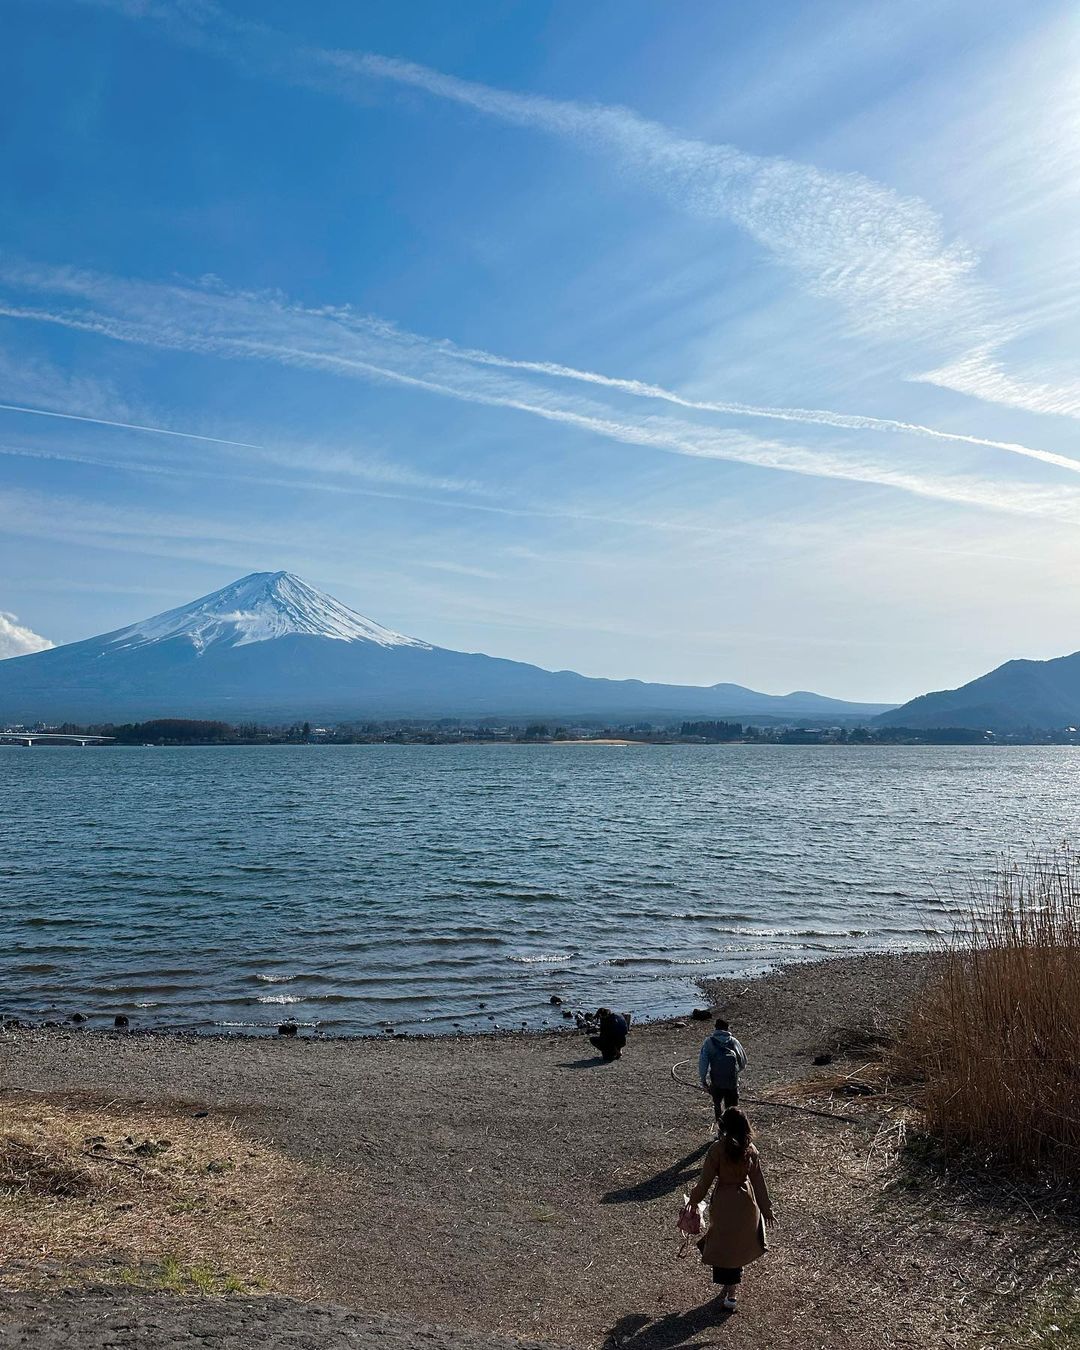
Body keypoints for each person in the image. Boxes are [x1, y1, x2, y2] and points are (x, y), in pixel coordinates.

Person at [685, 1107, 775, 1312]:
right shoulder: (750, 1149)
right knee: (738, 1244)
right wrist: (766, 1209)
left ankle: (731, 1294)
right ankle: (731, 1291)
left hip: (724, 1202)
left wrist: (693, 1199)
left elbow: (705, 1181)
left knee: (724, 1242)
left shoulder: (717, 1149)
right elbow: (759, 1182)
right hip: (746, 1203)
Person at [699, 1018, 747, 1121]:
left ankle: (720, 1130)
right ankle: (734, 1131)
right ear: (727, 1028)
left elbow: (703, 1064)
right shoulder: (733, 1041)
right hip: (731, 1082)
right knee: (732, 1109)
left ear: (715, 1028)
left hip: (716, 1081)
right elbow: (743, 1062)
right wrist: (735, 1073)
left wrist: (703, 1081)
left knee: (718, 1107)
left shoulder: (709, 1042)